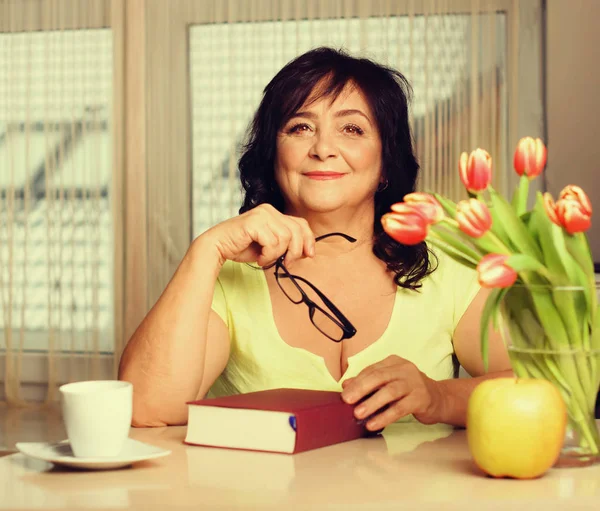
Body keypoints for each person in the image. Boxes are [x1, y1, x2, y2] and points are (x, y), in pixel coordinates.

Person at [119, 47, 512, 430]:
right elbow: (146, 408)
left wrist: (438, 397)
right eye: (300, 127)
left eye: (352, 129)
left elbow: (533, 388)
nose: (323, 149)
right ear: (274, 155)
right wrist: (206, 250)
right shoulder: (224, 278)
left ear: (386, 162)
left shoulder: (450, 266)